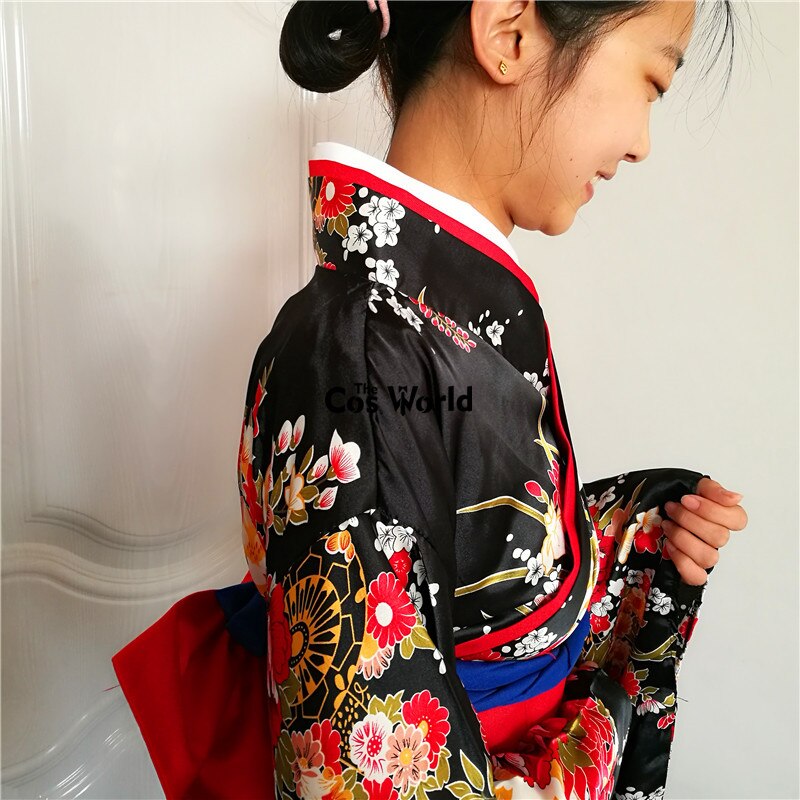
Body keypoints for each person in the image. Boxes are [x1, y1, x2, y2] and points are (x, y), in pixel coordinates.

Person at [111, 2, 749, 799]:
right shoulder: (364, 355)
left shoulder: (416, 327)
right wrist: (585, 736)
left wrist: (646, 530)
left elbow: (484, 578)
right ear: (510, 35)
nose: (642, 142)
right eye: (651, 80)